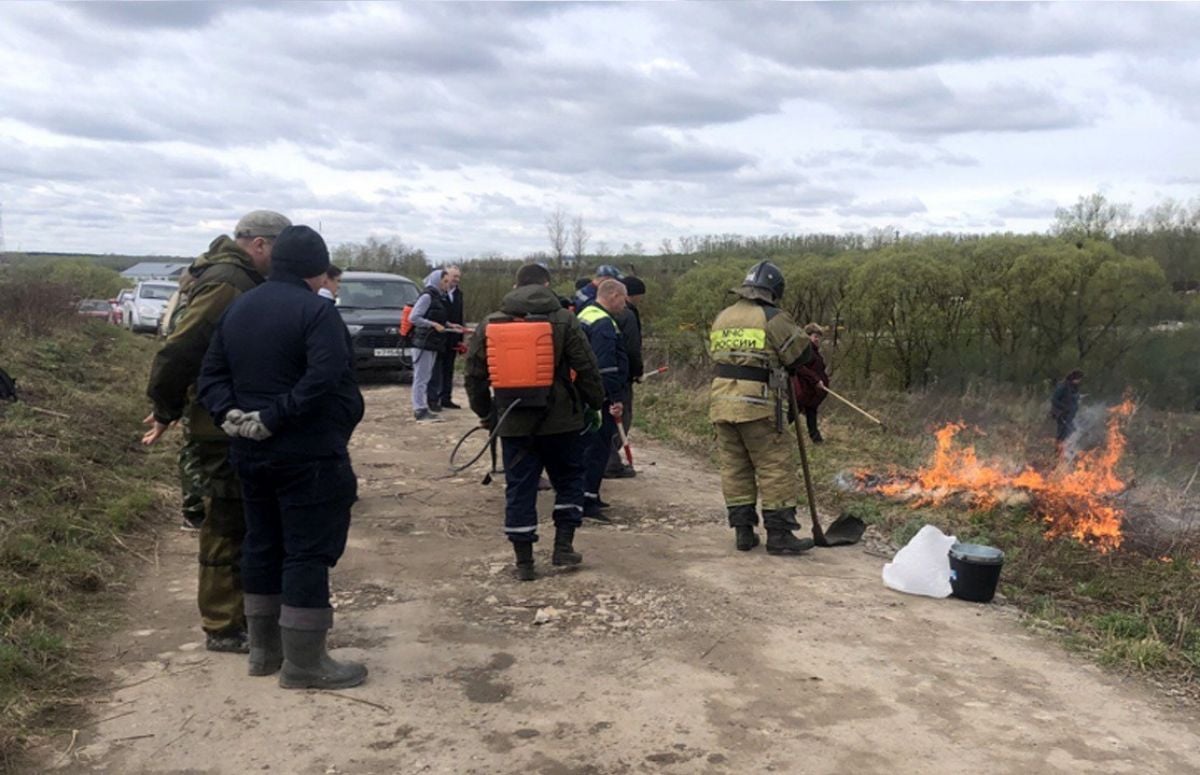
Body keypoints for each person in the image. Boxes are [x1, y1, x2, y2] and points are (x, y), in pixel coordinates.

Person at [197, 225, 367, 689]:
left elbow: (210, 374)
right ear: (316, 269)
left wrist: (230, 413)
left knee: (261, 544)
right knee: (306, 553)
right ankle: (305, 664)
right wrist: (275, 416)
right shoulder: (318, 313)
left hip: (249, 454)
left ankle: (263, 651)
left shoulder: (238, 309)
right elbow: (325, 378)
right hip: (307, 453)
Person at [143, 209, 291, 652]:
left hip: (223, 417)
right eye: (278, 250)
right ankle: (224, 625)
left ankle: (241, 613)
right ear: (260, 244)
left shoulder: (226, 273)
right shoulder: (230, 281)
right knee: (226, 521)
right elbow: (182, 348)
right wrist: (165, 407)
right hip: (216, 422)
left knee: (239, 517)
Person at [464, 263, 605, 581]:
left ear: (516, 285)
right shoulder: (565, 318)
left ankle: (524, 562)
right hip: (562, 422)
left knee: (520, 487)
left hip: (513, 422)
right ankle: (563, 547)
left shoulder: (490, 322)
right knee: (569, 479)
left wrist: (486, 414)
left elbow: (473, 375)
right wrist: (595, 402)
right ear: (546, 284)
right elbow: (586, 367)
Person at [710, 260, 816, 556]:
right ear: (774, 291)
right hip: (757, 404)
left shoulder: (723, 316)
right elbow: (802, 355)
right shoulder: (772, 317)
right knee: (774, 466)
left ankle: (743, 532)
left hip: (721, 401)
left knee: (735, 467)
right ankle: (780, 535)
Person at [578, 279, 629, 520]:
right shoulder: (603, 323)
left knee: (590, 447)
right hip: (600, 397)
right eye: (623, 299)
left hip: (584, 393)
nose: (625, 305)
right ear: (614, 295)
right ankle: (587, 500)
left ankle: (589, 495)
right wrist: (615, 399)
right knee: (597, 449)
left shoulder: (585, 313)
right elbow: (606, 367)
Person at [605, 275, 645, 479]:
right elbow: (632, 348)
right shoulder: (627, 315)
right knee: (622, 417)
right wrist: (637, 371)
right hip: (622, 377)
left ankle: (606, 459)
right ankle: (610, 462)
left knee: (608, 417)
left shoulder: (605, 313)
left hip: (608, 373)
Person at [409, 269, 453, 422]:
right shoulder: (427, 296)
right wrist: (433, 325)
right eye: (445, 281)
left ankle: (422, 407)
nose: (447, 285)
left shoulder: (437, 297)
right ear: (437, 280)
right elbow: (414, 317)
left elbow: (436, 316)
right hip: (423, 343)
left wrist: (450, 325)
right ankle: (419, 410)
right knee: (421, 378)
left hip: (432, 342)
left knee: (425, 376)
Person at [431, 266, 464, 410]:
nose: (456, 279)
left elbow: (460, 317)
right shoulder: (436, 294)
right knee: (436, 370)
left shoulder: (459, 294)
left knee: (449, 369)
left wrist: (460, 338)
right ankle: (434, 399)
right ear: (445, 276)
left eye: (458, 277)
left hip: (453, 337)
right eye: (454, 276)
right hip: (438, 337)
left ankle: (446, 398)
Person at [791, 323, 830, 443]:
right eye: (815, 336)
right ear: (807, 336)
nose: (817, 339)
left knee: (811, 413)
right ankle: (777, 436)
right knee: (792, 414)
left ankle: (816, 439)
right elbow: (800, 368)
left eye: (819, 337)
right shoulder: (805, 351)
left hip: (812, 393)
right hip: (803, 391)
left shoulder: (815, 352)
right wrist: (815, 380)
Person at [1051, 369, 1084, 458]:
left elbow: (1071, 398)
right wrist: (1064, 408)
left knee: (1072, 432)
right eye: (1079, 379)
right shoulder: (1064, 387)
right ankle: (1057, 456)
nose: (1079, 381)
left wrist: (1078, 397)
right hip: (1063, 416)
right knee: (1061, 436)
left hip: (1069, 416)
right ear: (1075, 378)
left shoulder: (1073, 387)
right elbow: (1054, 399)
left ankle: (1063, 454)